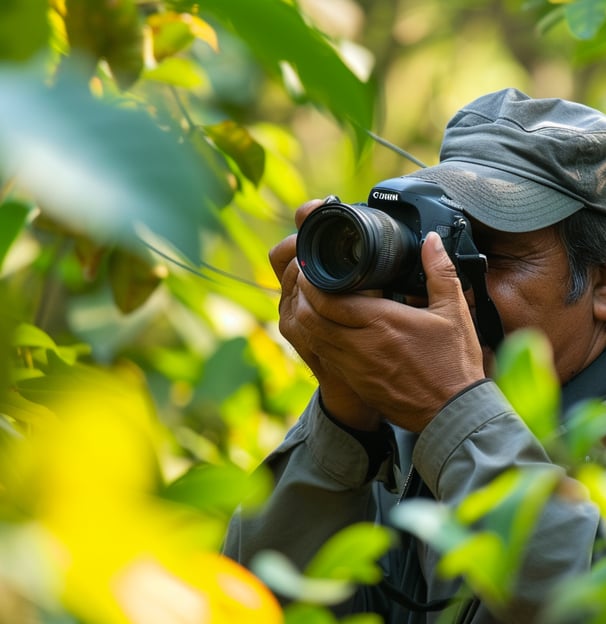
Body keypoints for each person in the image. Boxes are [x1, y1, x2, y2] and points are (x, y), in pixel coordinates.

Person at [223, 88, 606, 623]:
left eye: (488, 254)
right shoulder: (404, 428)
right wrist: (344, 421)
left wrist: (454, 415)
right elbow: (257, 606)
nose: (449, 286)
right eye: (441, 245)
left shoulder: (443, 415)